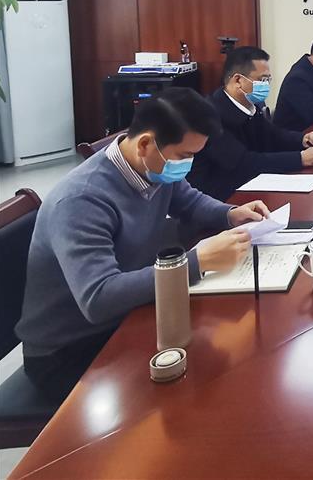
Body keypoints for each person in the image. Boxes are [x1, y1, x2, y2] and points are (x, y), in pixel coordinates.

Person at [15, 88, 270, 402]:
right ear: (146, 144)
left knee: (232, 353)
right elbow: (98, 298)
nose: (188, 165)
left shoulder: (153, 165)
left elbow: (189, 201)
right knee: (204, 384)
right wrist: (197, 262)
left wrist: (230, 214)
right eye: (184, 156)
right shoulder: (81, 200)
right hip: (71, 349)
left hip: (130, 314)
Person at [188, 46, 313, 201]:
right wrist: (299, 159)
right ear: (238, 80)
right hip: (217, 197)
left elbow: (273, 135)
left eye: (268, 80)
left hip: (250, 186)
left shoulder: (250, 106)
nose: (266, 85)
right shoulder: (211, 115)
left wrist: (302, 139)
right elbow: (244, 163)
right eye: (262, 80)